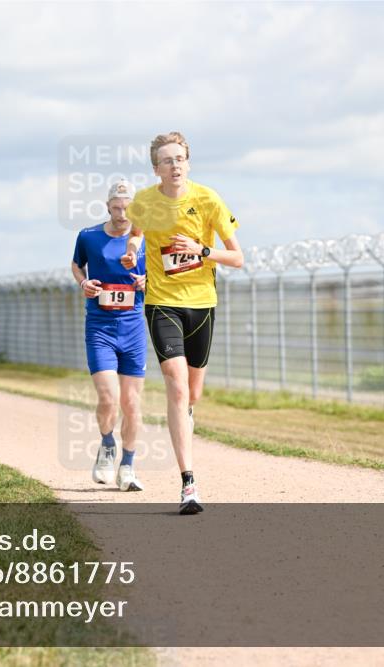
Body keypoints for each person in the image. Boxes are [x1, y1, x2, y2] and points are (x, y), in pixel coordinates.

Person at [121, 131, 244, 514]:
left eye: (180, 159)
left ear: (188, 163)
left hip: (202, 305)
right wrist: (130, 252)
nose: (174, 166)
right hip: (161, 303)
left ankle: (184, 418)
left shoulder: (208, 199)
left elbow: (237, 258)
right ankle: (188, 482)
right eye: (167, 160)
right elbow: (137, 235)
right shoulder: (143, 201)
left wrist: (202, 250)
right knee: (175, 386)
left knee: (191, 396)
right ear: (156, 168)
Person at [71, 179, 147, 492]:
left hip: (133, 328)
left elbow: (159, 273)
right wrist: (83, 283)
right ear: (107, 207)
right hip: (100, 327)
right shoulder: (88, 236)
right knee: (108, 397)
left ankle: (127, 467)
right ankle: (106, 445)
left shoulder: (146, 237)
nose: (121, 213)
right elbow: (77, 266)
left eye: (127, 208)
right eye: (116, 208)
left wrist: (147, 281)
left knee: (131, 403)